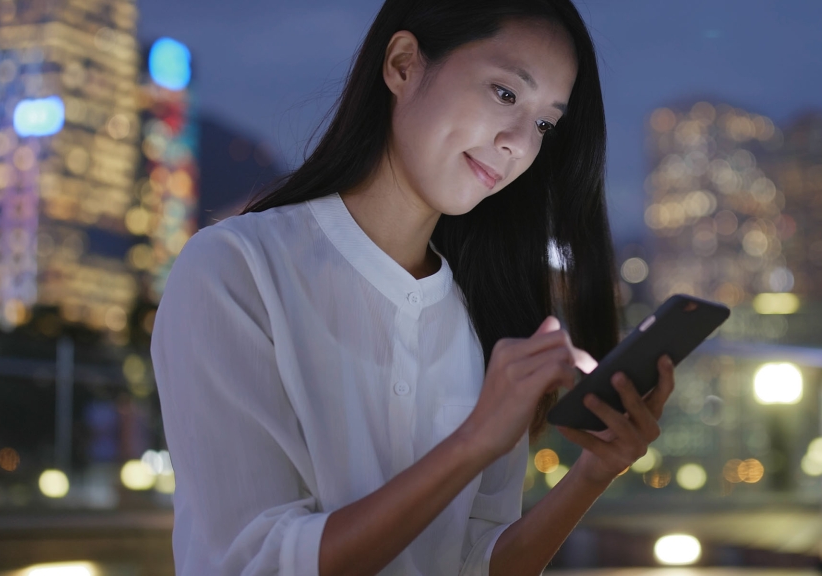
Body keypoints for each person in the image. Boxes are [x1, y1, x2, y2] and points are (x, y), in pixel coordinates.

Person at [151, 2, 665, 574]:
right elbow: (257, 561)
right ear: (402, 65)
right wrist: (472, 441)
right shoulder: (237, 269)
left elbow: (475, 562)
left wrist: (593, 474)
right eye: (505, 94)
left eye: (545, 123)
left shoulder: (485, 316)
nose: (519, 142)